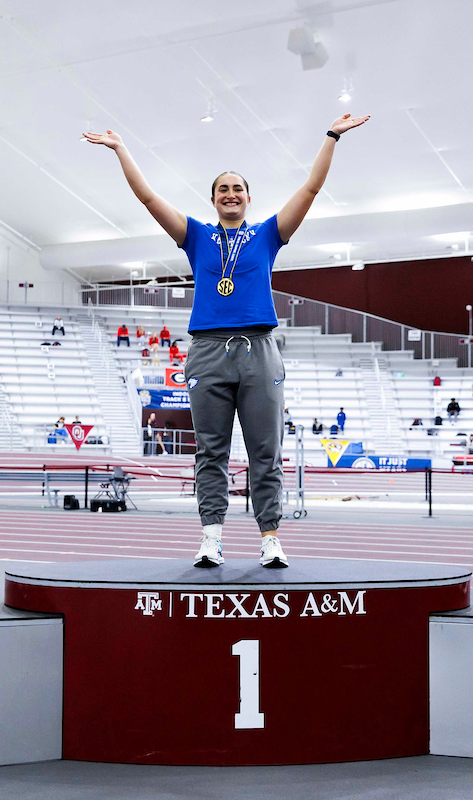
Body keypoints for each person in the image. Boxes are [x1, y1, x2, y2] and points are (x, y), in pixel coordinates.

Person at [87, 111, 369, 569]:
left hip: (259, 348)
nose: (231, 194)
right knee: (210, 451)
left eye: (238, 188)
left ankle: (270, 537)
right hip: (207, 351)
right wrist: (122, 149)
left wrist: (332, 136)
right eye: (223, 189)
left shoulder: (268, 234)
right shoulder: (196, 236)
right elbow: (146, 197)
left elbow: (311, 189)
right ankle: (211, 537)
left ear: (248, 198)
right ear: (214, 199)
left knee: (265, 451)